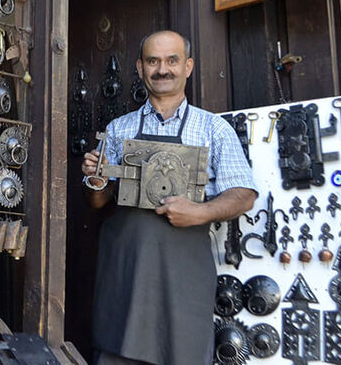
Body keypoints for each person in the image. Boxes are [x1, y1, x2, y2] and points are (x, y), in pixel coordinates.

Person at [82, 30, 257, 365]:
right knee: (117, 351)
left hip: (183, 275)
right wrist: (97, 178)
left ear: (188, 66)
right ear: (140, 67)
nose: (162, 69)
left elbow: (244, 196)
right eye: (153, 61)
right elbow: (98, 202)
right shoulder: (119, 128)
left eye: (171, 60)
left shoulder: (213, 129)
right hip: (127, 272)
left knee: (184, 351)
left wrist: (201, 212)